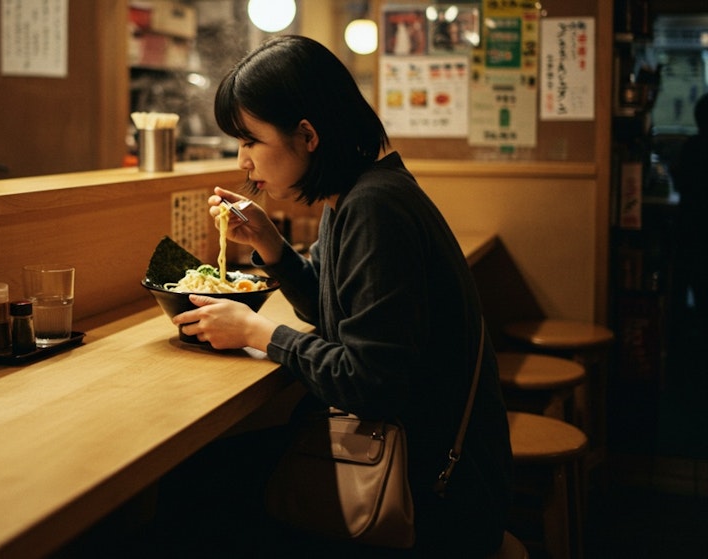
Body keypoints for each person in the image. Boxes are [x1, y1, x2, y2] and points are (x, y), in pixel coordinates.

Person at [160, 35, 512, 557]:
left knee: (198, 490)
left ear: (306, 136)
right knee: (213, 475)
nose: (243, 161)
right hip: (418, 456)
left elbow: (371, 383)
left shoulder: (375, 209)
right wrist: (270, 245)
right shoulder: (356, 194)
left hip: (435, 495)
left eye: (251, 141)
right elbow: (334, 313)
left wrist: (258, 331)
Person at [670, 93, 708, 330]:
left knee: (686, 278)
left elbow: (682, 182)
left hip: (691, 223)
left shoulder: (692, 146)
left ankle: (681, 331)